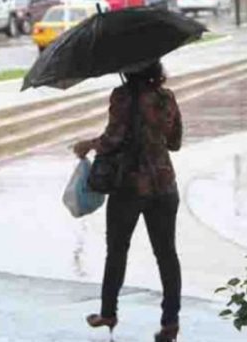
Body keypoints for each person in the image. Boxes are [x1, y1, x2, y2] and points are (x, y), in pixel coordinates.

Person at [73, 61, 183, 342]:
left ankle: (108, 312)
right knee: (167, 254)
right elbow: (175, 142)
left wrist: (86, 144)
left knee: (117, 250)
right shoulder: (166, 98)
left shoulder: (122, 97)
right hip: (164, 185)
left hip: (129, 187)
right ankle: (170, 322)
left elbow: (112, 140)